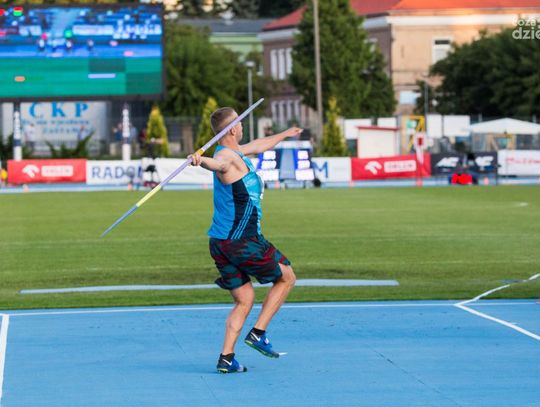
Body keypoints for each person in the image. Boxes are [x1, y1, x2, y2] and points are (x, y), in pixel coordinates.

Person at [190, 107, 302, 374]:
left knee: (244, 299)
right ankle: (258, 333)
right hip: (242, 240)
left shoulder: (235, 151)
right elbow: (219, 166)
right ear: (232, 128)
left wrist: (285, 133)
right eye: (240, 122)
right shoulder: (225, 158)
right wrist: (200, 161)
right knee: (287, 277)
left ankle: (226, 358)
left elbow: (259, 145)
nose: (242, 126)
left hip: (220, 242)